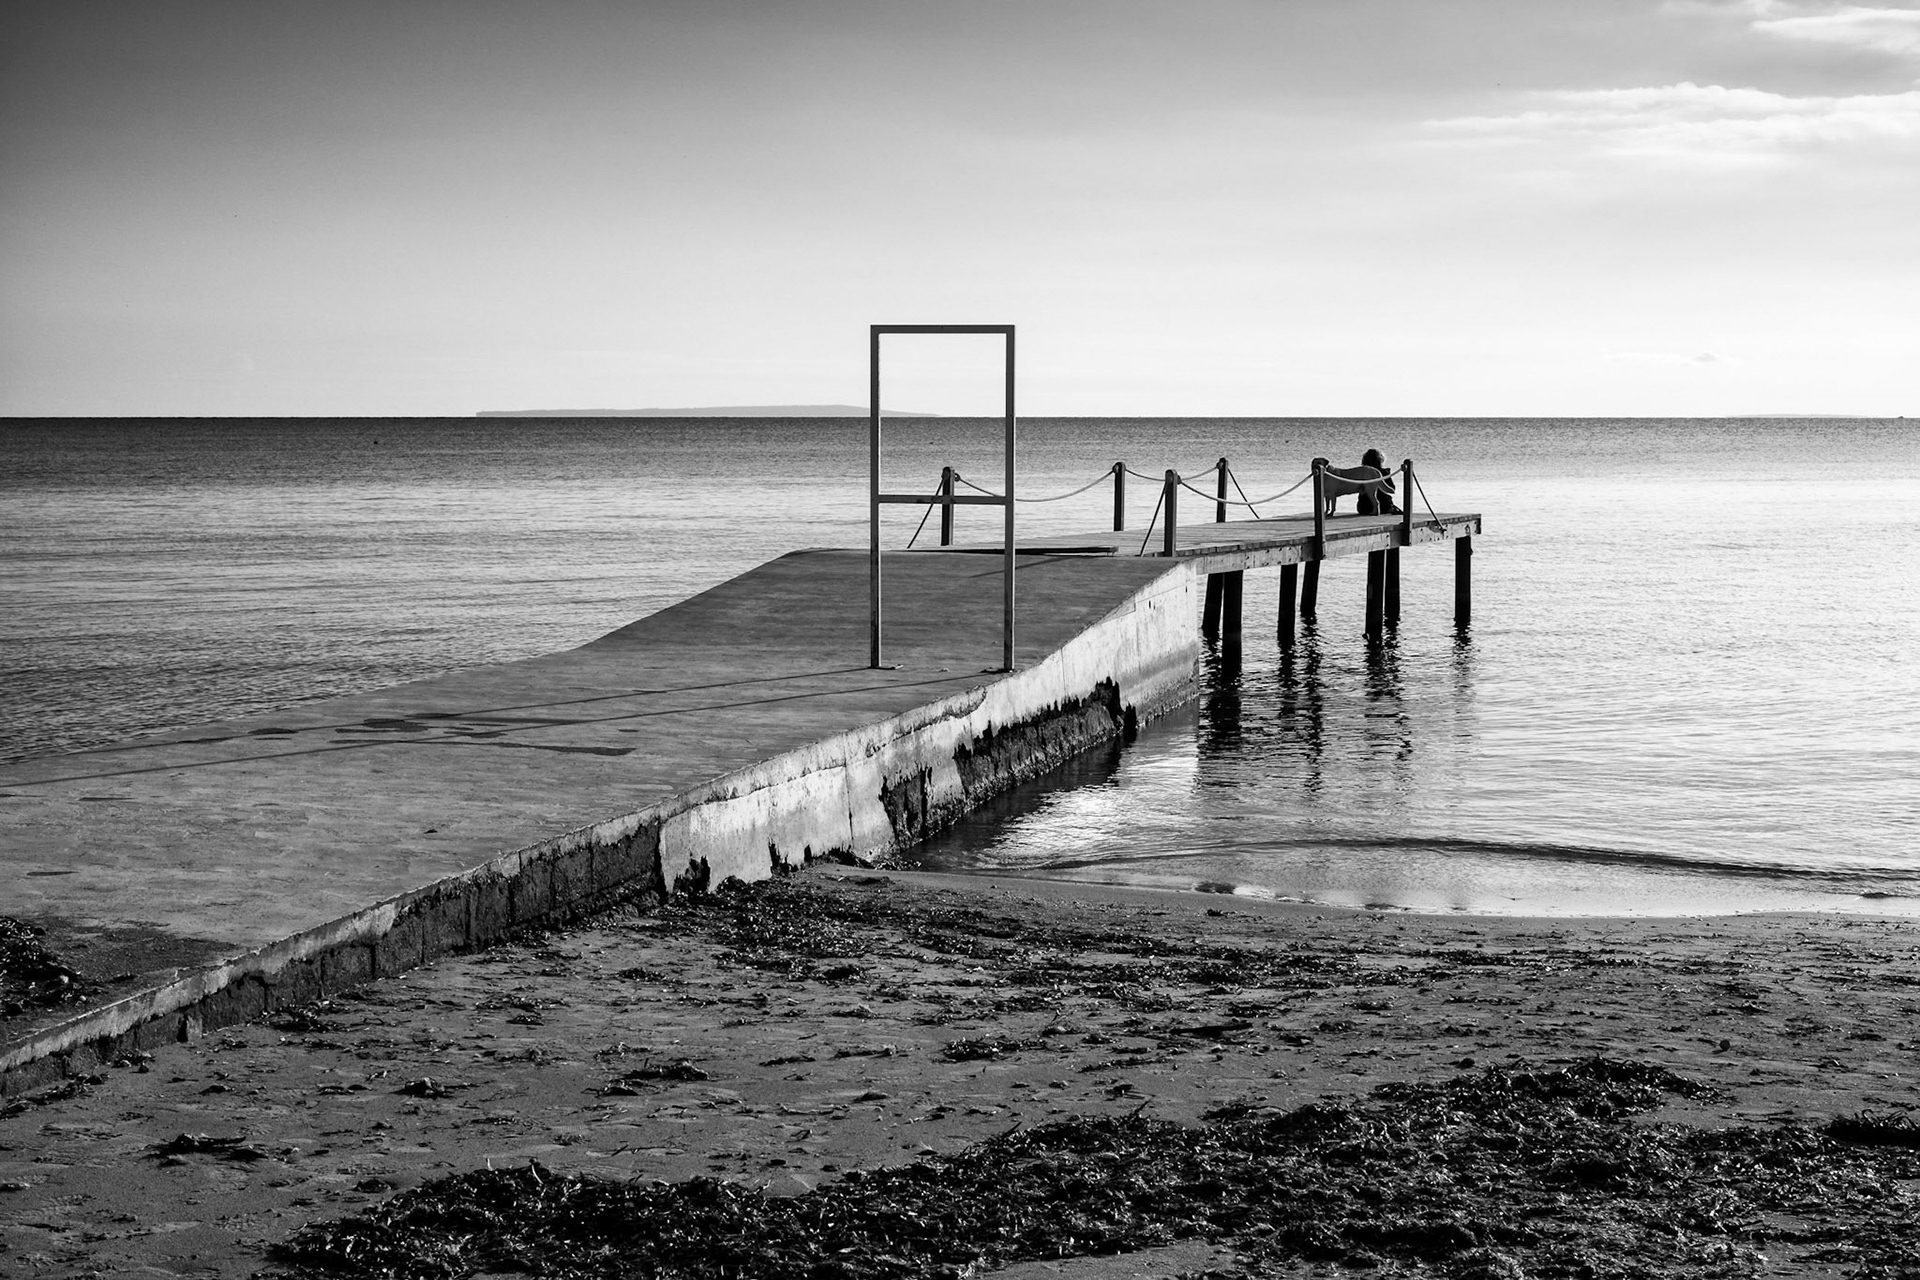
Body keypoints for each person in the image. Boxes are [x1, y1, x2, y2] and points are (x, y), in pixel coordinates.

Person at [1357, 448, 1400, 516]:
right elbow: (1391, 489)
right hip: (1383, 506)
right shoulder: (1383, 473)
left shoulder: (1362, 473)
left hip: (1363, 507)